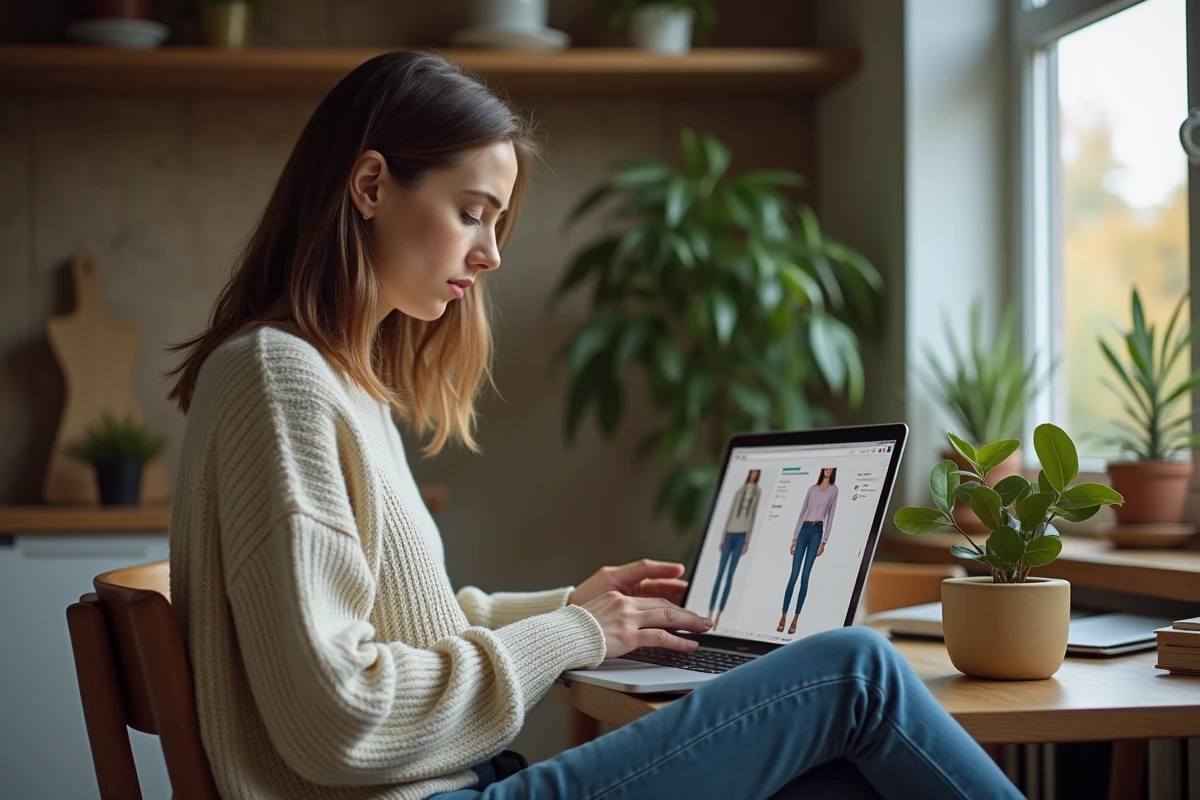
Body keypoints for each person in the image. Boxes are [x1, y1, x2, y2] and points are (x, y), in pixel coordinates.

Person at [165, 51, 1023, 800]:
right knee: (856, 671)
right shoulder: (280, 377)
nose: (492, 253)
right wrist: (577, 636)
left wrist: (575, 608)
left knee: (843, 777)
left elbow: (401, 633)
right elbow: (338, 717)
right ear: (370, 185)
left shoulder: (335, 380)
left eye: (498, 221)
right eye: (472, 211)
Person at [780, 467, 839, 634]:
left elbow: (831, 515)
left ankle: (795, 619)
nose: (827, 470)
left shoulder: (834, 490)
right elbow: (802, 512)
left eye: (830, 467)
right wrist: (794, 537)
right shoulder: (812, 489)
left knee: (805, 576)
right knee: (794, 575)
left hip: (817, 532)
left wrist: (824, 541)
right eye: (825, 467)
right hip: (804, 530)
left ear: (833, 470)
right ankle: (783, 615)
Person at [708, 468, 761, 628]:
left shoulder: (757, 492)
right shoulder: (739, 491)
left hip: (741, 536)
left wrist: (747, 540)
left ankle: (718, 617)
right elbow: (731, 512)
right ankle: (709, 615)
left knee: (730, 576)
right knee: (719, 575)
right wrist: (723, 536)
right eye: (751, 472)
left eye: (756, 473)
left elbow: (753, 516)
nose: (753, 475)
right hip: (730, 533)